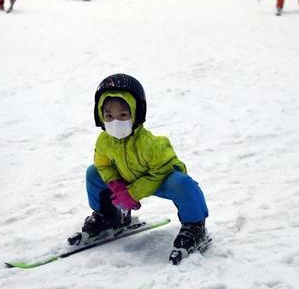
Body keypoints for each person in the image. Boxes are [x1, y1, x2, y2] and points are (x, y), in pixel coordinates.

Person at [78, 73, 209, 263]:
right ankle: (108, 216)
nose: (115, 121)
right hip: (126, 178)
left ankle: (195, 226)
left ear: (136, 112)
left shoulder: (152, 144)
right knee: (92, 172)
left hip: (159, 180)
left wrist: (132, 193)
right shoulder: (104, 141)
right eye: (109, 115)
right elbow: (102, 164)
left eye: (123, 114)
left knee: (183, 184)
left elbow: (162, 171)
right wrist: (115, 185)